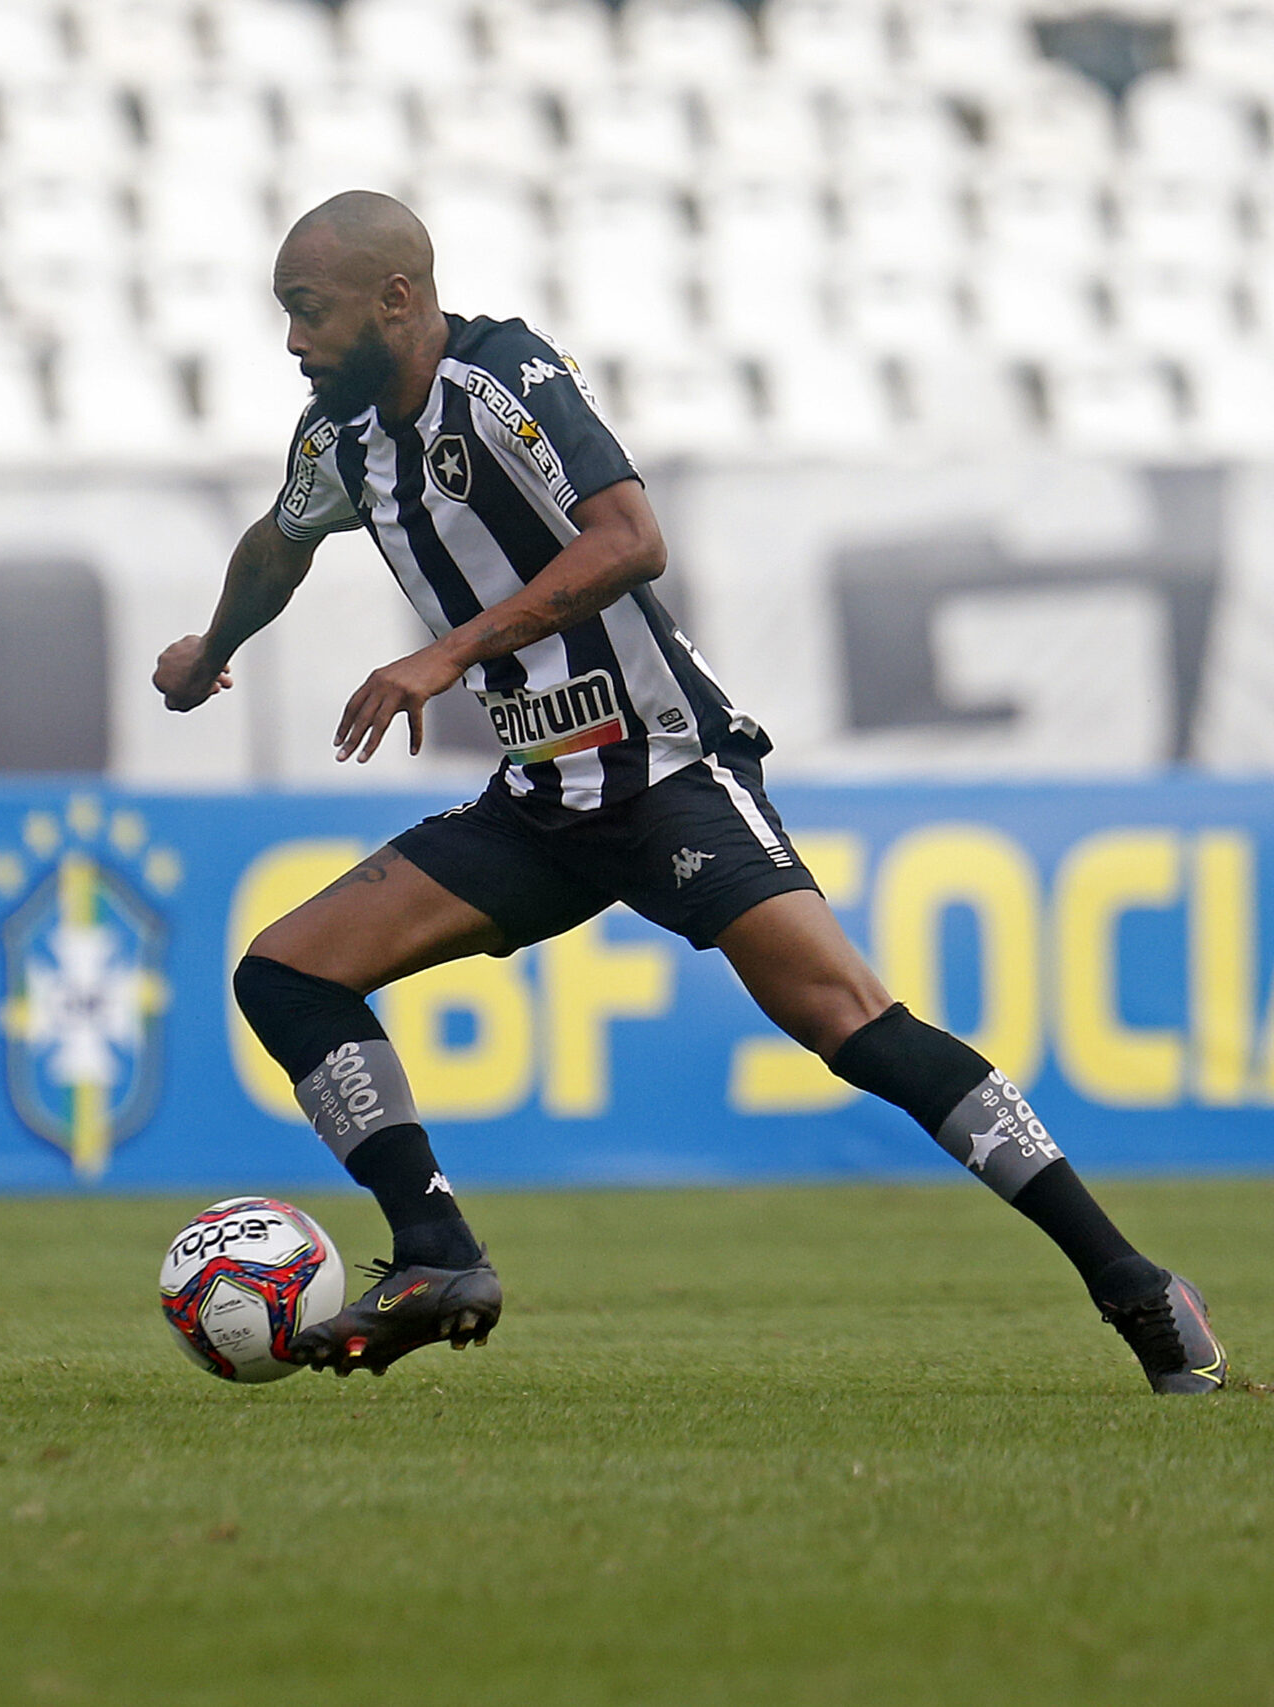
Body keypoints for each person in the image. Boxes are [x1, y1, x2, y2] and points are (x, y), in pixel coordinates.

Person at [154, 191, 1227, 1395]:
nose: (293, 344)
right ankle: (437, 1251)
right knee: (287, 972)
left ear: (396, 299)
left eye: (308, 313)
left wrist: (446, 654)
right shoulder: (342, 438)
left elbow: (627, 539)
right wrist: (209, 648)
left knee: (852, 1026)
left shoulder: (501, 377)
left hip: (663, 769)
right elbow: (277, 541)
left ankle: (1135, 1288)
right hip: (539, 802)